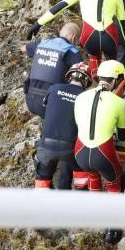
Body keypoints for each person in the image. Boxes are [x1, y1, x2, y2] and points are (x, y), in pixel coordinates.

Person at [73, 59, 125, 244]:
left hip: (80, 151)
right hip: (103, 153)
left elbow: (79, 124)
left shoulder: (81, 96)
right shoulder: (118, 102)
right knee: (114, 184)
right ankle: (112, 229)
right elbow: (123, 135)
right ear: (116, 80)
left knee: (93, 178)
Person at [33, 62, 92, 191]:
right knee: (81, 182)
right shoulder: (86, 97)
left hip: (46, 146)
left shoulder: (54, 89)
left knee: (42, 185)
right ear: (86, 81)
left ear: (69, 77)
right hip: (71, 149)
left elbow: (46, 110)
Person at [21, 23, 83, 117]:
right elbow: (81, 77)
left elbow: (23, 49)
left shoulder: (42, 43)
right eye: (77, 40)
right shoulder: (73, 52)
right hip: (49, 104)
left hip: (30, 99)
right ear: (74, 37)